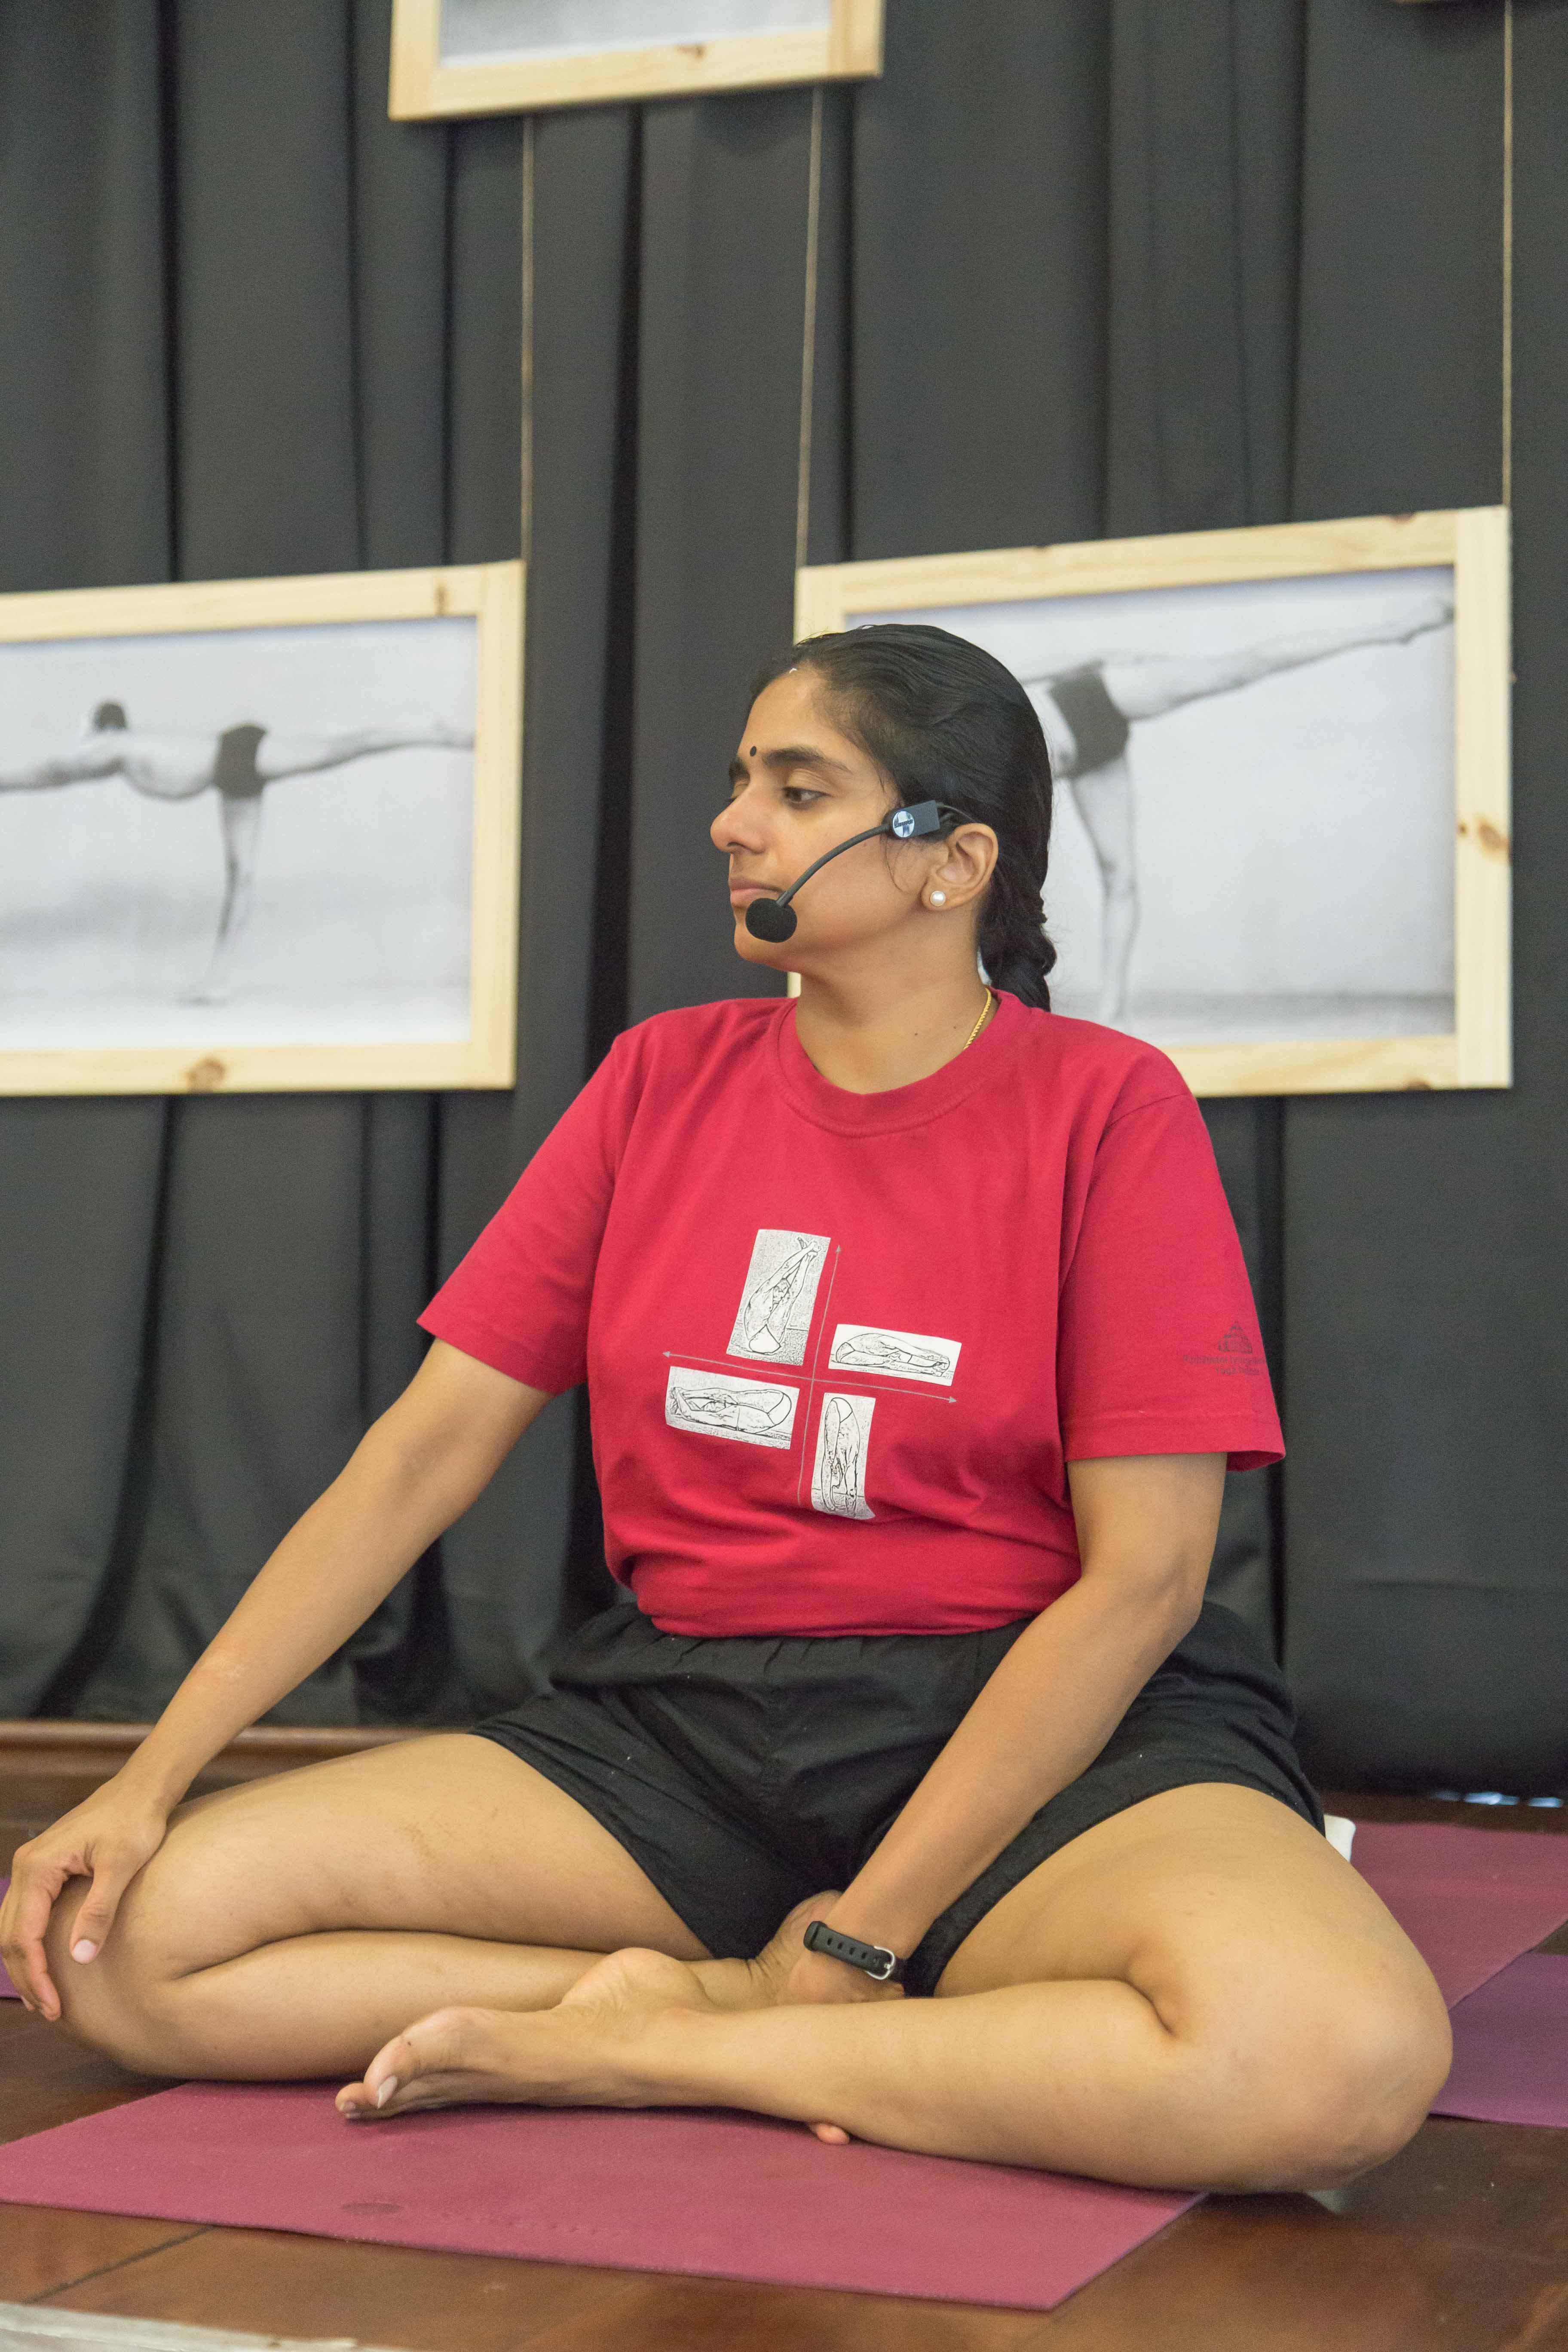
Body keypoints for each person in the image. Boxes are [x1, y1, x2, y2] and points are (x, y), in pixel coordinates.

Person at [0, 626, 1451, 2193]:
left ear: (950, 860)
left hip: (1025, 1720)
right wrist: (148, 1779)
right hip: (686, 1725)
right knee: (112, 1949)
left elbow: (1145, 1581)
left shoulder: (1105, 1104)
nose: (730, 821)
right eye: (742, 779)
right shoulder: (656, 1082)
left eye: (796, 787)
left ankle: (672, 2042)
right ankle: (774, 2000)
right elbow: (420, 1454)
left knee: (1329, 2060)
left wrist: (861, 1934)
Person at [1025, 592, 1454, 1023]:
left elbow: (1011, 673)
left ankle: (1389, 631)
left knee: (1238, 670)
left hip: (1087, 700)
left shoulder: (987, 705)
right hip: (1090, 759)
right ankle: (1114, 1012)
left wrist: (1094, 657)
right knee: (1120, 876)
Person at [0, 703, 473, 1002]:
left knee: (340, 749)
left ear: (98, 728)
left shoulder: (114, 744)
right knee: (241, 879)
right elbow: (61, 773)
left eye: (85, 730)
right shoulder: (121, 753)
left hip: (237, 753)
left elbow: (51, 771)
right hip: (230, 776)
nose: (80, 741)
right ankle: (218, 980)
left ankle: (431, 732)